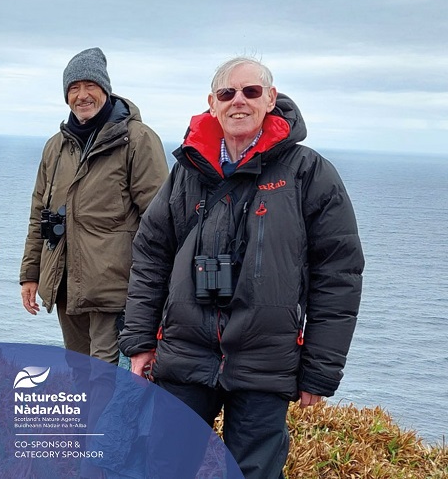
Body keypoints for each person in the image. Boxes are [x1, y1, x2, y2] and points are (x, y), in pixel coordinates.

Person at [120, 57, 364, 478]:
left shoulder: (308, 173)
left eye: (251, 91)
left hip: (265, 362)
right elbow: (151, 258)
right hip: (184, 353)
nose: (239, 101)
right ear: (212, 103)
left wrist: (320, 370)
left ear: (270, 99)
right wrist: (141, 341)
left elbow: (338, 276)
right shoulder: (187, 172)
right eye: (227, 93)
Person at [19, 47, 168, 378]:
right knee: (79, 370)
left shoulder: (137, 140)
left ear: (106, 89)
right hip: (65, 285)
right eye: (74, 88)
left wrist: (156, 289)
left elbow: (159, 221)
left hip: (114, 288)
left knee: (105, 374)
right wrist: (30, 274)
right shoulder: (56, 146)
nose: (82, 95)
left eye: (90, 86)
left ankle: (109, 416)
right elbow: (39, 214)